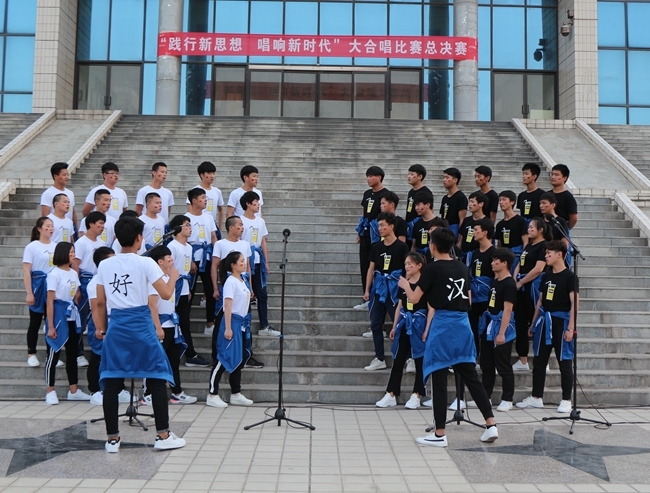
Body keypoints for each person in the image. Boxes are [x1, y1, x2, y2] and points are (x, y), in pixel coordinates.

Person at [92, 216, 186, 452]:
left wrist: (103, 329)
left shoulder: (105, 265)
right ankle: (163, 435)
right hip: (142, 325)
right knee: (156, 377)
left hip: (117, 326)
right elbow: (165, 294)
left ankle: (112, 439)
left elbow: (100, 303)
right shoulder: (146, 263)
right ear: (139, 238)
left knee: (112, 381)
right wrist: (173, 278)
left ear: (117, 237)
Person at [398, 228, 498, 447]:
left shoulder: (432, 269)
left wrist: (405, 285)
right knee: (471, 376)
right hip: (462, 325)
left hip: (443, 326)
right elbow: (468, 299)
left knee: (439, 377)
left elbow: (414, 299)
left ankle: (440, 433)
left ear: (433, 246)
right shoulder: (462, 267)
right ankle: (491, 424)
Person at [516, 240, 577, 414]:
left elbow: (575, 303)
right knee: (539, 360)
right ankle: (536, 397)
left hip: (562, 321)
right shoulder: (546, 276)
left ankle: (566, 399)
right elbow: (540, 301)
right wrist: (534, 322)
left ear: (560, 254)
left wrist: (570, 328)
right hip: (545, 320)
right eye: (546, 253)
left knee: (564, 361)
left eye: (549, 253)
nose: (546, 256)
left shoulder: (570, 277)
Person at [142, 246, 198, 405]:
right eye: (168, 257)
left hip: (172, 325)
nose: (171, 260)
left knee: (174, 360)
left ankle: (176, 392)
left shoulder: (169, 278)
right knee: (155, 359)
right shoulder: (155, 280)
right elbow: (152, 305)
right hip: (160, 325)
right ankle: (147, 393)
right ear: (160, 262)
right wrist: (158, 327)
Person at [375, 252, 431, 409]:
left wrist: (427, 329)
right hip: (405, 322)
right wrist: (395, 326)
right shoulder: (404, 282)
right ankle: (391, 393)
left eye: (410, 263)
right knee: (399, 358)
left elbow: (430, 308)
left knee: (419, 359)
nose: (407, 266)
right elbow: (400, 305)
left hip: (419, 323)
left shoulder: (424, 283)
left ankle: (417, 394)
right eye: (406, 264)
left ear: (419, 265)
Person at [206, 251, 255, 408]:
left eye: (244, 260)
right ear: (233, 265)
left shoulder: (242, 280)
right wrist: (227, 328)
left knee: (238, 358)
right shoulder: (230, 282)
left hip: (242, 324)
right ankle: (212, 394)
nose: (244, 263)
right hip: (232, 322)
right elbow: (227, 306)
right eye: (241, 261)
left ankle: (236, 393)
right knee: (224, 358)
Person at [211, 216, 261, 368]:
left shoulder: (245, 244)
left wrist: (250, 287)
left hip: (242, 287)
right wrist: (215, 287)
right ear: (231, 227)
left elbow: (248, 268)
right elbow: (214, 266)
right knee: (221, 321)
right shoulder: (220, 244)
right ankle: (218, 355)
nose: (242, 228)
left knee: (245, 322)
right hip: (227, 287)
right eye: (239, 225)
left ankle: (246, 354)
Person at [44, 242, 91, 404]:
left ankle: (74, 390)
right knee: (54, 353)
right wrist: (50, 326)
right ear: (63, 253)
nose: (73, 255)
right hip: (58, 315)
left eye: (74, 252)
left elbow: (75, 294)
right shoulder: (54, 274)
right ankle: (50, 390)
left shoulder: (72, 273)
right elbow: (50, 301)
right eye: (71, 252)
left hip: (71, 316)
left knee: (72, 354)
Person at [363, 212, 409, 371]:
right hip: (379, 287)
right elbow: (371, 269)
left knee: (400, 323)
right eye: (378, 225)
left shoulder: (402, 247)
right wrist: (367, 289)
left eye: (382, 225)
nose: (380, 228)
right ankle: (379, 357)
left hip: (395, 288)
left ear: (391, 226)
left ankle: (407, 357)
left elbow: (407, 270)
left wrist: (405, 289)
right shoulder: (376, 247)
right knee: (376, 323)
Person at [86, 247, 131, 406]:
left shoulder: (113, 278)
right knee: (98, 357)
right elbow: (95, 307)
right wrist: (100, 328)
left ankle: (118, 388)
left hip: (115, 321)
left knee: (117, 356)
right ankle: (95, 390)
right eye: (112, 258)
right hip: (101, 322)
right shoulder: (95, 282)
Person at [479, 248, 517, 412]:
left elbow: (508, 309)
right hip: (490, 324)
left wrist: (501, 333)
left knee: (503, 364)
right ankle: (485, 396)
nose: (492, 263)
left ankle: (507, 398)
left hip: (502, 326)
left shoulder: (509, 284)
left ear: (504, 263)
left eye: (496, 261)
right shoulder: (496, 281)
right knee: (487, 363)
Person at [166, 215, 204, 371]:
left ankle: (189, 354)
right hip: (173, 289)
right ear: (177, 229)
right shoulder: (172, 246)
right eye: (186, 225)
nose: (190, 228)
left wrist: (187, 289)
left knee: (184, 322)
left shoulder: (188, 247)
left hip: (184, 288)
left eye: (190, 225)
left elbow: (186, 270)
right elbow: (169, 269)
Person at [512, 218, 548, 372]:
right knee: (520, 322)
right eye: (528, 227)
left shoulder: (544, 246)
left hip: (533, 287)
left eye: (532, 227)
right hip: (521, 287)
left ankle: (543, 360)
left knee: (537, 322)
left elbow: (539, 268)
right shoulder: (528, 245)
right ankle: (523, 360)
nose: (529, 229)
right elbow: (520, 263)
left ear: (541, 229)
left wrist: (521, 282)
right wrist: (515, 278)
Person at [240, 191, 278, 336]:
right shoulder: (240, 221)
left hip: (257, 260)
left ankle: (264, 326)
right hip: (243, 262)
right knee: (246, 295)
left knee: (262, 294)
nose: (258, 205)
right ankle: (245, 325)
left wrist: (266, 262)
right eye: (255, 202)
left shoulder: (260, 221)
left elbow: (263, 241)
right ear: (248, 204)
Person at [72, 211, 106, 368]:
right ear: (90, 224)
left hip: (99, 281)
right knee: (80, 319)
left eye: (103, 223)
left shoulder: (102, 243)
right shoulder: (81, 243)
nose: (102, 226)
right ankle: (78, 353)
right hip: (85, 281)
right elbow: (76, 265)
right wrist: (77, 288)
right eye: (100, 223)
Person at [23, 217, 57, 367]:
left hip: (52, 287)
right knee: (35, 322)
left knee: (51, 321)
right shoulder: (32, 247)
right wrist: (29, 292)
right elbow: (26, 270)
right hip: (38, 286)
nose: (50, 229)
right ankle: (31, 353)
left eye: (52, 226)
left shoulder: (56, 246)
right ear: (39, 229)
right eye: (47, 226)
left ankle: (52, 354)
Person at [354, 166, 390, 310]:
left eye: (371, 176)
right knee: (365, 265)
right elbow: (364, 213)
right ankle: (366, 296)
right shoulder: (367, 193)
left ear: (379, 177)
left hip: (378, 234)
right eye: (367, 176)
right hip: (366, 234)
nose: (368, 179)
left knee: (378, 267)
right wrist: (360, 231)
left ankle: (379, 297)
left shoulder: (386, 194)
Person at [185, 187, 218, 342]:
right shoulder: (186, 218)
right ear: (194, 201)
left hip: (207, 255)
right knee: (188, 291)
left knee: (211, 289)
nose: (205, 200)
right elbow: (183, 240)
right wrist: (190, 260)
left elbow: (213, 237)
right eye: (203, 198)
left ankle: (210, 322)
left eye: (206, 198)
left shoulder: (209, 217)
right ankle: (184, 323)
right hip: (191, 255)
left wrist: (217, 255)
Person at [466, 217, 496, 360]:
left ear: (485, 232)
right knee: (471, 326)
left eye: (476, 230)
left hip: (487, 294)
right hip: (474, 295)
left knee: (486, 327)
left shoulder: (494, 252)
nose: (473, 232)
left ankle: (487, 359)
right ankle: (474, 355)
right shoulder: (474, 253)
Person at [186, 161, 225, 234]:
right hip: (198, 225)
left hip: (212, 225)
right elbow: (190, 210)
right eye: (209, 173)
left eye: (213, 173)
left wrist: (220, 228)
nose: (212, 176)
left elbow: (220, 210)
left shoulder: (217, 191)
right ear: (202, 175)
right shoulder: (194, 191)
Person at [495, 190, 528, 272]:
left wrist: (523, 257)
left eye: (504, 199)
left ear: (512, 202)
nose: (501, 202)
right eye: (500, 200)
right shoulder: (500, 224)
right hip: (505, 257)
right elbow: (499, 245)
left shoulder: (520, 221)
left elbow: (525, 241)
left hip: (517, 255)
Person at [404, 164, 431, 246]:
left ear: (420, 177)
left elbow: (430, 210)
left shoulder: (426, 192)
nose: (409, 176)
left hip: (419, 224)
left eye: (412, 174)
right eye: (408, 174)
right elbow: (408, 209)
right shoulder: (411, 192)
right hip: (409, 224)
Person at [457, 191, 487, 263]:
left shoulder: (486, 222)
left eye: (472, 202)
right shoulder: (466, 220)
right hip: (464, 255)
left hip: (476, 257)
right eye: (469, 202)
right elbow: (460, 240)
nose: (469, 204)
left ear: (481, 204)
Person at [439, 167, 467, 237]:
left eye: (447, 177)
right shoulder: (445, 198)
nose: (444, 180)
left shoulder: (460, 197)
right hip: (444, 227)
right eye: (444, 177)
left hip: (454, 228)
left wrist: (460, 237)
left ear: (455, 180)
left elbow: (462, 219)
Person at [550, 164, 578, 229]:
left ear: (564, 178)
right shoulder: (547, 194)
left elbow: (574, 218)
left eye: (556, 175)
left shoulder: (568, 197)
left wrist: (566, 229)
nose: (553, 177)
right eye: (552, 174)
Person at [409, 190, 436, 256]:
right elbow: (414, 246)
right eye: (415, 205)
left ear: (428, 205)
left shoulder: (439, 223)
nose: (416, 208)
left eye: (418, 205)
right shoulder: (416, 224)